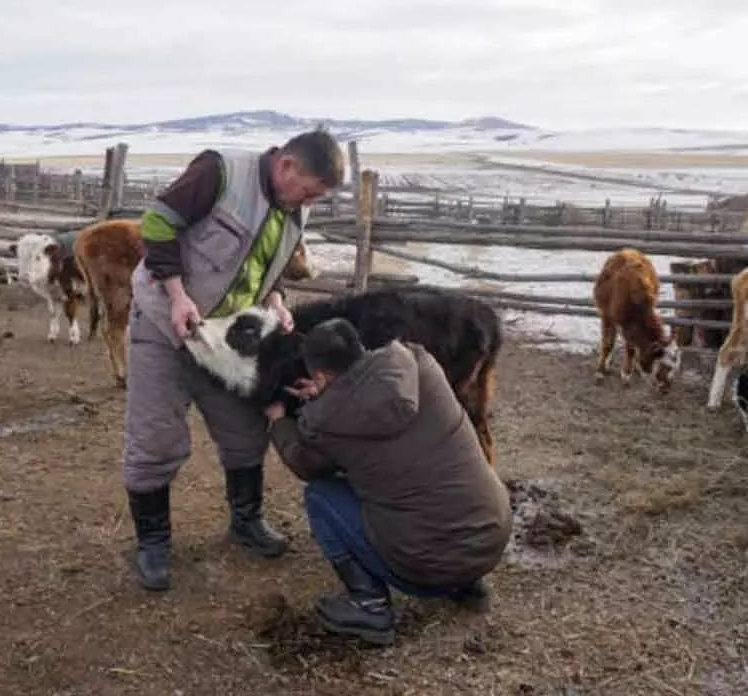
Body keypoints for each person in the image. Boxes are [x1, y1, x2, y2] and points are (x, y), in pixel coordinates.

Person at [123, 128, 346, 591]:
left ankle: (246, 521)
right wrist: (178, 294)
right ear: (287, 166)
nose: (309, 202)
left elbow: (272, 264)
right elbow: (158, 224)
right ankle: (154, 543)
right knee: (157, 438)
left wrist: (279, 301)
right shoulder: (221, 172)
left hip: (228, 340)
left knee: (245, 433)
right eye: (308, 191)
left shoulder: (293, 208)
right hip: (166, 325)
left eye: (317, 198)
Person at [264, 318, 513, 647]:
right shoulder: (418, 363)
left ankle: (370, 607)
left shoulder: (325, 422)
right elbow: (369, 392)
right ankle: (470, 583)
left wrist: (280, 422)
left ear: (320, 376)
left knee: (321, 496)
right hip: (491, 538)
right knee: (440, 473)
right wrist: (330, 394)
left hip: (427, 569)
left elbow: (306, 464)